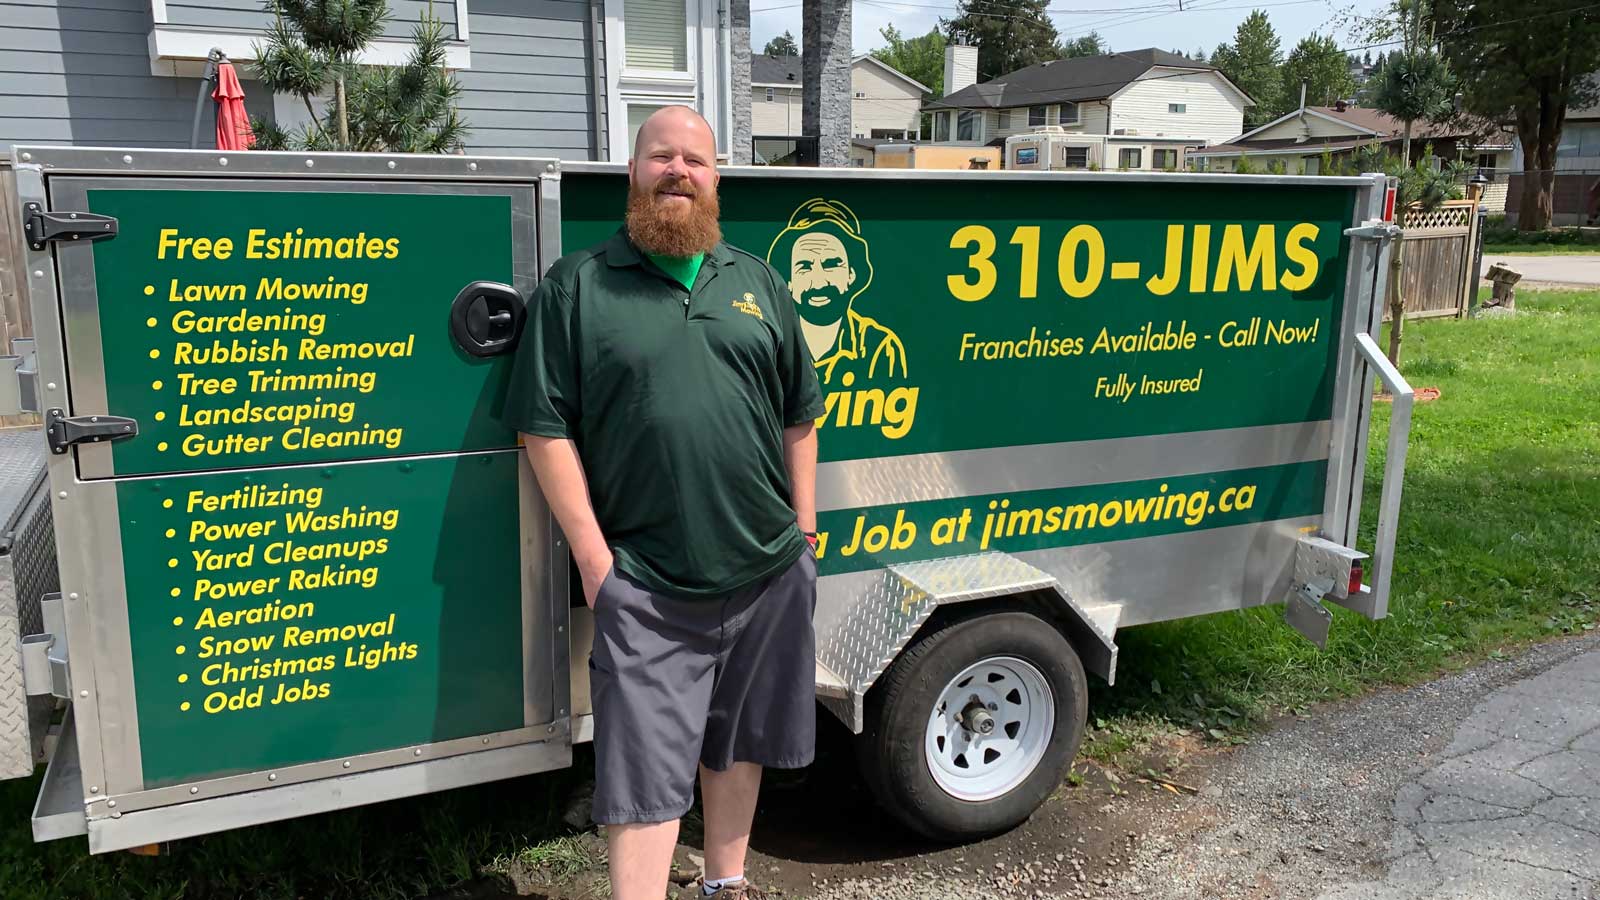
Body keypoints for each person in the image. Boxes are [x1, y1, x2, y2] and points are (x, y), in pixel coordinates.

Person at [501, 105, 824, 900]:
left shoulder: (755, 281)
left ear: (715, 180)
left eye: (696, 161)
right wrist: (593, 558)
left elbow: (799, 415)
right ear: (633, 173)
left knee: (738, 744)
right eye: (661, 158)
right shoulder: (579, 286)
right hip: (645, 584)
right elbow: (543, 431)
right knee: (643, 772)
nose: (678, 171)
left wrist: (805, 530)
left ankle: (726, 885)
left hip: (766, 575)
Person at [766, 198, 907, 386]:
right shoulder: (768, 344)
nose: (818, 283)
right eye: (805, 267)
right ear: (789, 281)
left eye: (831, 264)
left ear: (851, 275)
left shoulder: (879, 347)